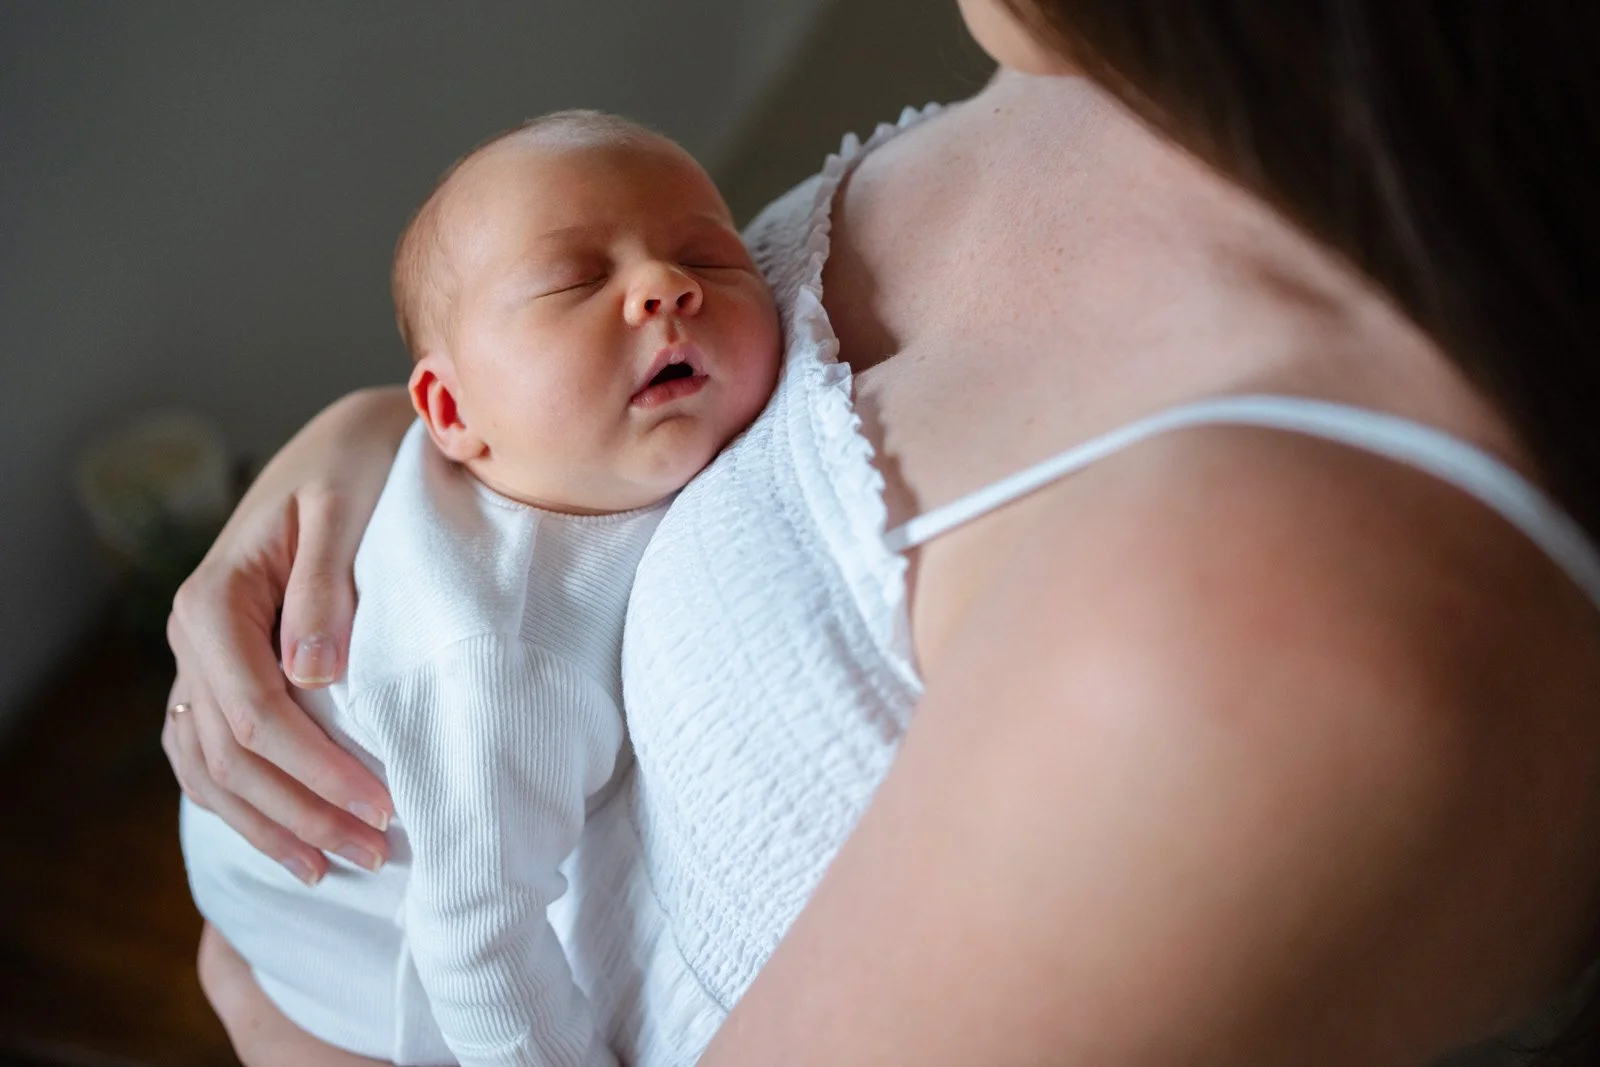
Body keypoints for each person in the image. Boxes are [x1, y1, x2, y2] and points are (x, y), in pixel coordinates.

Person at [162, 1, 1600, 1063]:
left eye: (704, 258)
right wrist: (386, 463)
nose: (671, 290)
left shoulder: (1278, 610)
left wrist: (268, 1011)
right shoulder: (1076, 79)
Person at [179, 110, 779, 1067]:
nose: (666, 288)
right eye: (577, 281)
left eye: (711, 259)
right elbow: (479, 951)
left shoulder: (562, 462)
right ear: (453, 412)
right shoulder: (498, 655)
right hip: (322, 923)